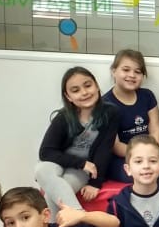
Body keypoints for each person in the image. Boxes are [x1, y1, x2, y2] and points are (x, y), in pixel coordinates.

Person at [35, 66, 120, 215]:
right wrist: (81, 163)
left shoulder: (110, 113)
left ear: (97, 86)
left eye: (88, 85)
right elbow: (46, 152)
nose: (84, 92)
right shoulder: (63, 117)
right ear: (68, 97)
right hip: (61, 162)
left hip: (82, 170)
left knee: (53, 193)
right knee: (41, 171)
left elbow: (104, 149)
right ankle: (80, 215)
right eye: (76, 90)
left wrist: (95, 183)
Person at [101, 49, 159, 183]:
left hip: (149, 154)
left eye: (137, 72)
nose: (132, 75)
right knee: (141, 175)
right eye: (126, 70)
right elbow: (115, 145)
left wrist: (152, 154)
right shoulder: (105, 104)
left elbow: (155, 129)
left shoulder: (147, 96)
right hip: (121, 159)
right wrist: (140, 156)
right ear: (113, 71)